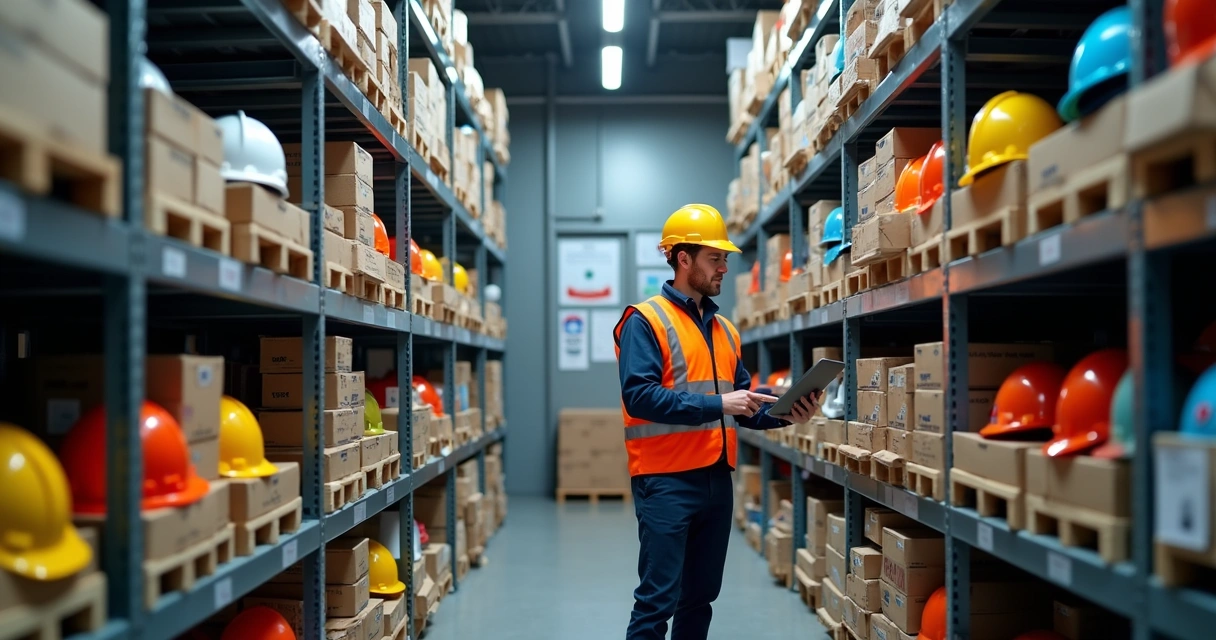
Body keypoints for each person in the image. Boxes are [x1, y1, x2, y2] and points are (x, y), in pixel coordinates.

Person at [613, 204, 819, 640]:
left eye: (726, 258)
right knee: (657, 601)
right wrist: (718, 404)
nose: (725, 267)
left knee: (700, 597)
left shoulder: (724, 329)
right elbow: (640, 396)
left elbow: (744, 405)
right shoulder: (644, 320)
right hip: (665, 481)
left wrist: (788, 414)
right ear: (682, 258)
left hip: (715, 481)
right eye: (715, 258)